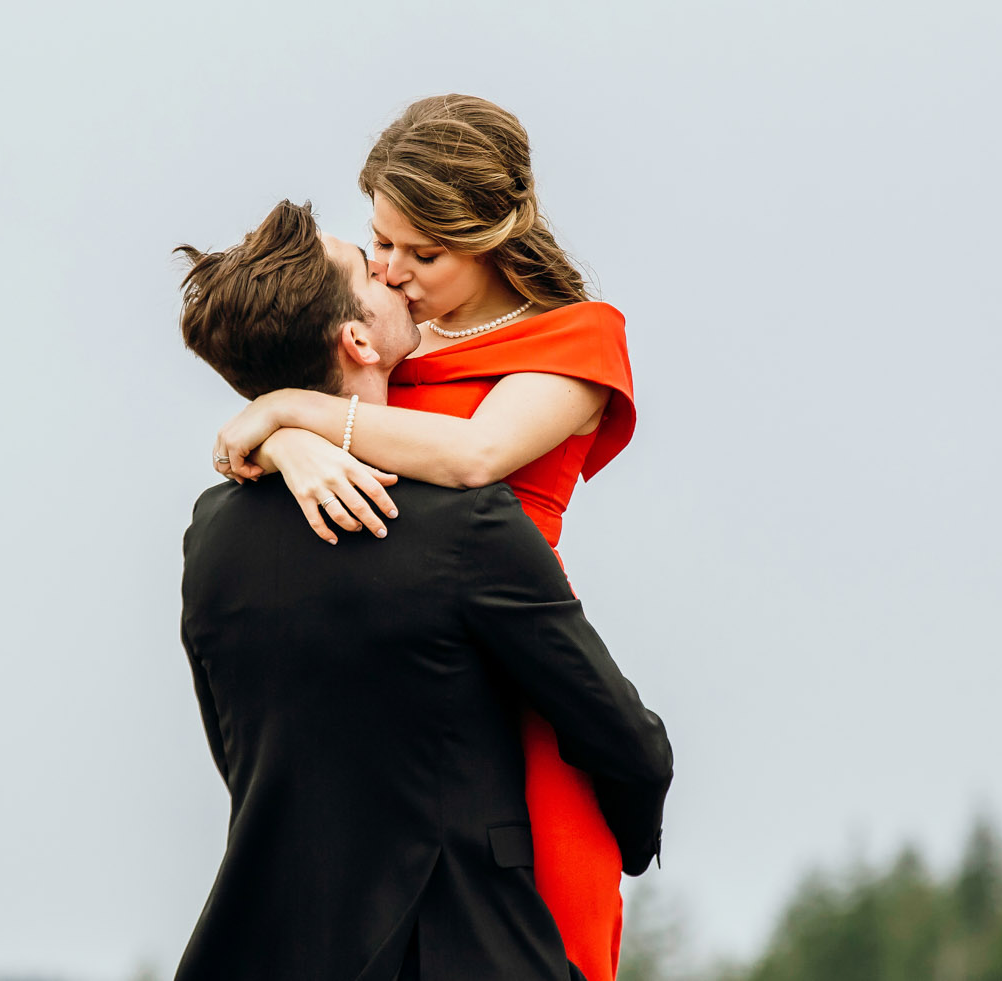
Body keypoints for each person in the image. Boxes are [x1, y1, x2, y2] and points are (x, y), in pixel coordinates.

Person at [172, 199, 671, 981]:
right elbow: (626, 741)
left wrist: (285, 423)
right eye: (368, 267)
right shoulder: (465, 524)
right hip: (459, 946)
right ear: (358, 339)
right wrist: (631, 837)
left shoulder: (211, 536)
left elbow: (238, 752)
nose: (391, 273)